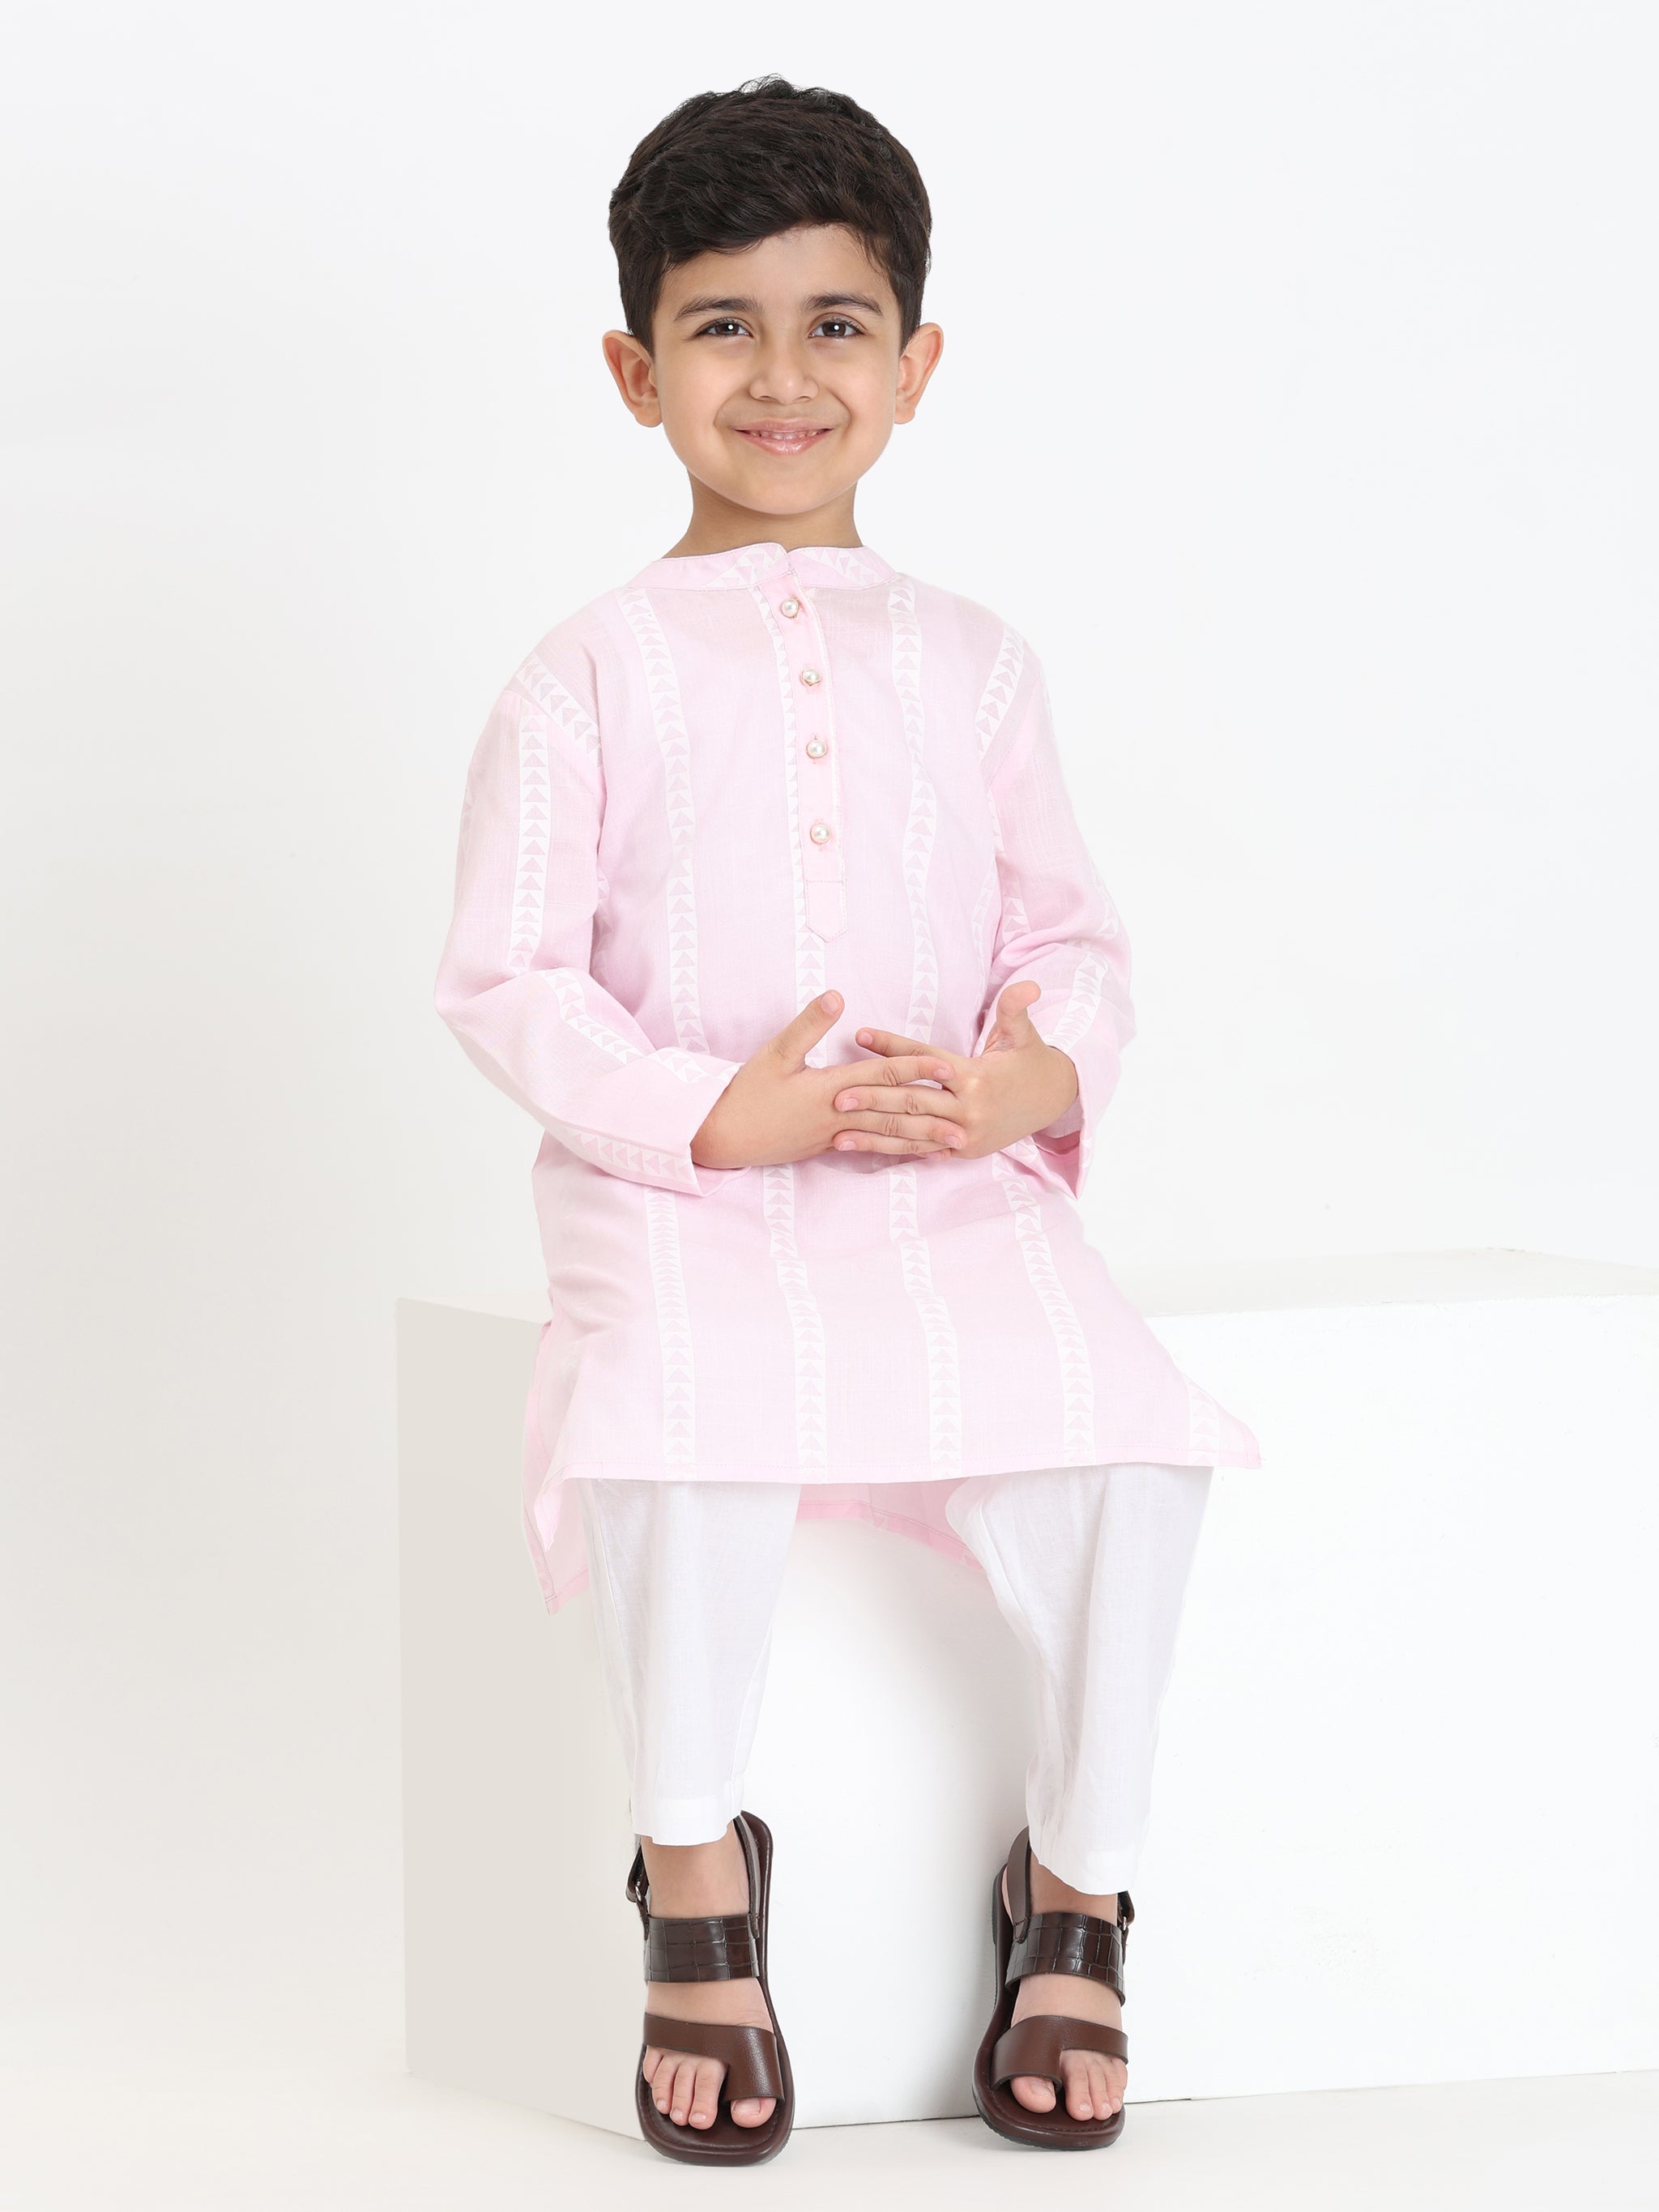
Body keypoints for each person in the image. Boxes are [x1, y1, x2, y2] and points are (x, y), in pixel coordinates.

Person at [433, 74, 1260, 2165]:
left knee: (1129, 1440)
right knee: (675, 1429)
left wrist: (1021, 1079)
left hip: (938, 1185)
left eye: (836, 324)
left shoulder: (976, 664)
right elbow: (507, 976)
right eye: (722, 326)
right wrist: (715, 1112)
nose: (782, 376)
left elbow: (1070, 941)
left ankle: (1078, 1883)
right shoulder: (581, 675)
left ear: (917, 362)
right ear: (635, 369)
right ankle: (690, 1866)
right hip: (686, 1197)